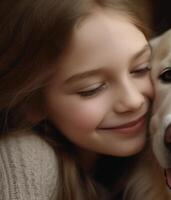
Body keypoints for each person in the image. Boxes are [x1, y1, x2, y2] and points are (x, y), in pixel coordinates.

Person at [0, 0, 153, 199]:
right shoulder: (23, 156)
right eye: (92, 89)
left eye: (142, 68)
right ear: (30, 104)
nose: (133, 101)